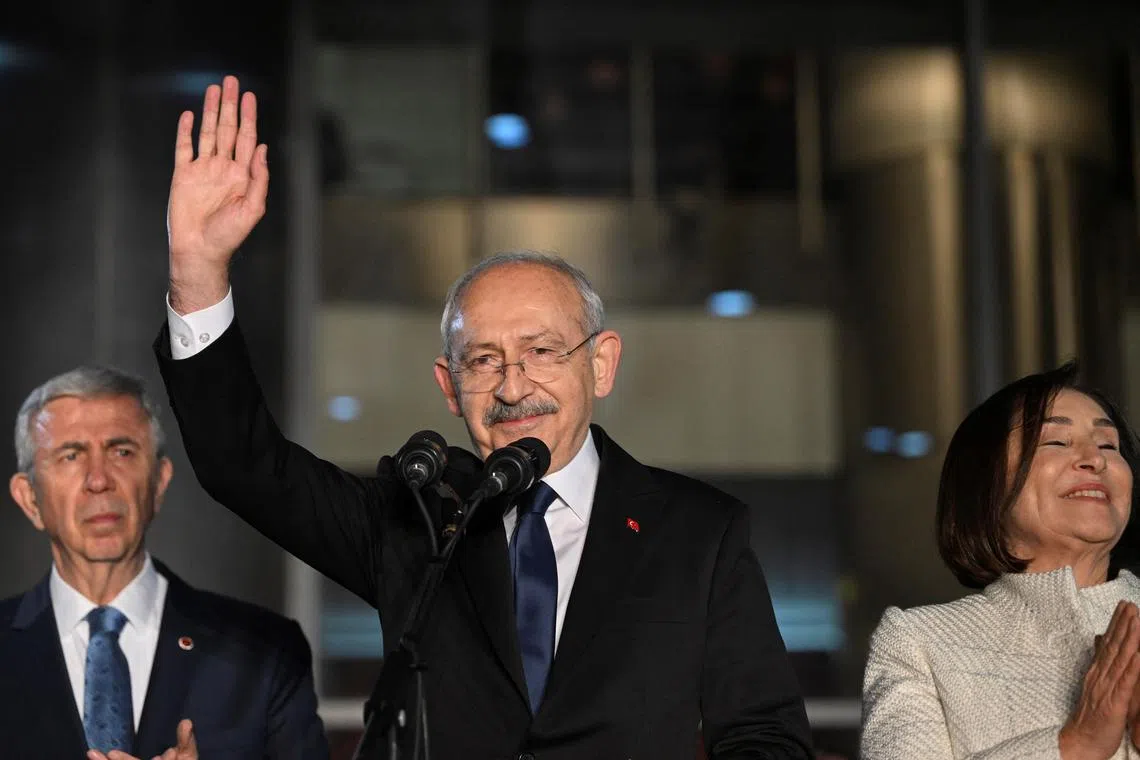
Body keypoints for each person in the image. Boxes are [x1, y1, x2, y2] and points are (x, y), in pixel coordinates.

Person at [153, 74, 813, 759]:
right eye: (483, 360)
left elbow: (766, 739)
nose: (512, 386)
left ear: (601, 364)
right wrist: (197, 268)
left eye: (542, 352)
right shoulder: (414, 521)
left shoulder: (699, 534)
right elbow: (242, 464)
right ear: (449, 385)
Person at [0, 366, 329, 760]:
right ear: (29, 499)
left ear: (159, 481)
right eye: (71, 455)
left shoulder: (263, 653)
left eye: (121, 452)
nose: (99, 480)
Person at [861, 362, 1140, 759]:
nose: (1094, 459)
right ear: (985, 484)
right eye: (1056, 441)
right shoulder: (920, 643)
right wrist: (1075, 744)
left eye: (1109, 445)